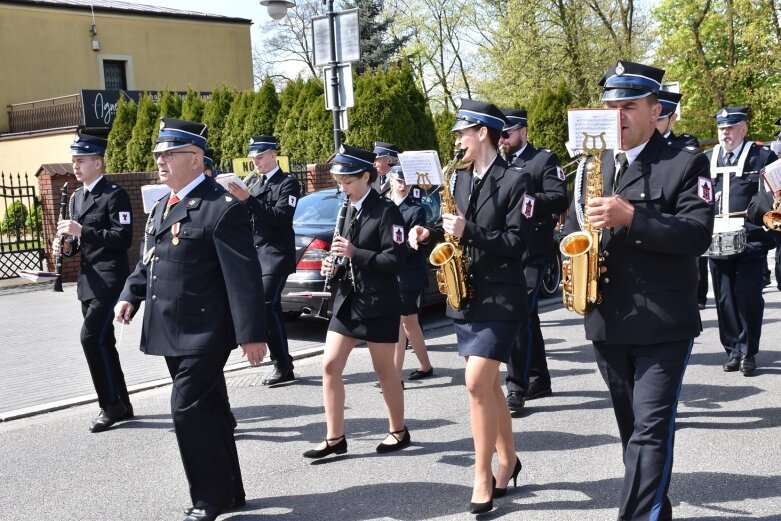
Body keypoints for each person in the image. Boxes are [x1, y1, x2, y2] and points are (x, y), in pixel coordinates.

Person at [563, 60, 714, 521]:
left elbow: (696, 234)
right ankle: (654, 510)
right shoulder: (595, 163)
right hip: (608, 320)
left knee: (650, 431)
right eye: (611, 106)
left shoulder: (686, 161)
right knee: (631, 432)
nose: (619, 115)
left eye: (629, 106)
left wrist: (633, 218)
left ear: (655, 110)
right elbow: (572, 229)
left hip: (663, 321)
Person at [114, 118, 268, 521]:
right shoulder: (164, 204)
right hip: (170, 327)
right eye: (158, 155)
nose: (160, 162)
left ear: (196, 160)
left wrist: (252, 334)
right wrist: (130, 294)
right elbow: (150, 258)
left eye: (170, 154)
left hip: (206, 331)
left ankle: (208, 498)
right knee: (212, 409)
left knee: (186, 411)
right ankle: (231, 490)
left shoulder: (221, 207)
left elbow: (243, 276)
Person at [409, 99, 532, 514]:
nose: (458, 139)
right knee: (489, 385)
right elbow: (452, 230)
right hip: (467, 295)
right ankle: (508, 459)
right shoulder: (458, 179)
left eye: (463, 131)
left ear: (483, 132)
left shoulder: (518, 179)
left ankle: (481, 476)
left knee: (477, 381)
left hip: (502, 294)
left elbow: (518, 244)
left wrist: (470, 230)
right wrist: (430, 233)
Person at [303, 144, 411, 459]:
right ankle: (335, 437)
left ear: (366, 176)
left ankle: (398, 431)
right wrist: (332, 264)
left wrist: (355, 254)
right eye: (339, 182)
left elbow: (396, 260)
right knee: (330, 365)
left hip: (378, 301)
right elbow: (344, 256)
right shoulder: (347, 208)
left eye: (347, 182)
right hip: (349, 298)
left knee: (384, 370)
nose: (343, 188)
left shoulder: (386, 210)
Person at [57, 132, 134, 433]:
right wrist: (68, 246)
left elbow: (122, 238)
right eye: (74, 160)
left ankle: (109, 405)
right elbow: (79, 242)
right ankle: (122, 403)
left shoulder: (114, 195)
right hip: (88, 282)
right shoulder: (77, 196)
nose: (75, 165)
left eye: (81, 160)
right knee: (104, 342)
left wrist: (82, 230)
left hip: (110, 280)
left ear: (98, 163)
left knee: (91, 338)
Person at [499, 107, 568, 411]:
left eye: (507, 133)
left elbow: (559, 198)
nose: (502, 139)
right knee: (528, 316)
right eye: (499, 133)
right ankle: (539, 378)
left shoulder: (543, 160)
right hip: (505, 249)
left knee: (517, 313)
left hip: (532, 250)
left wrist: (523, 201)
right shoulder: (496, 164)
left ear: (523, 131)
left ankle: (517, 387)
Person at [705, 106, 777, 376]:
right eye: (722, 128)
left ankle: (749, 352)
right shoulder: (708, 157)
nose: (725, 133)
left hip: (750, 239)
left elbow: (771, 195)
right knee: (724, 300)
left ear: (744, 128)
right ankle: (733, 350)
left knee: (747, 296)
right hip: (716, 240)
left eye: (731, 127)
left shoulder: (762, 156)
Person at [226, 135, 301, 386]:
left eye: (260, 157)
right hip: (256, 253)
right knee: (267, 306)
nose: (256, 162)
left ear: (272, 155)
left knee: (267, 303)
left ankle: (282, 365)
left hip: (276, 253)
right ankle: (283, 362)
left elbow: (280, 218)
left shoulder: (288, 183)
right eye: (254, 158)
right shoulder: (255, 185)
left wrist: (249, 200)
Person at [656, 90, 709, 309]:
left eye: (660, 118)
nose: (654, 122)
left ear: (672, 118)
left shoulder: (685, 150)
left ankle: (699, 295)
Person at [387, 165, 433, 382]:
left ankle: (394, 375)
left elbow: (414, 245)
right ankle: (425, 366)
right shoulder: (384, 205)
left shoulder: (416, 210)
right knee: (410, 322)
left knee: (398, 319)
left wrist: (388, 254)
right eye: (398, 180)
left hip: (409, 273)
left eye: (406, 181)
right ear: (391, 180)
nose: (402, 185)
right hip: (391, 272)